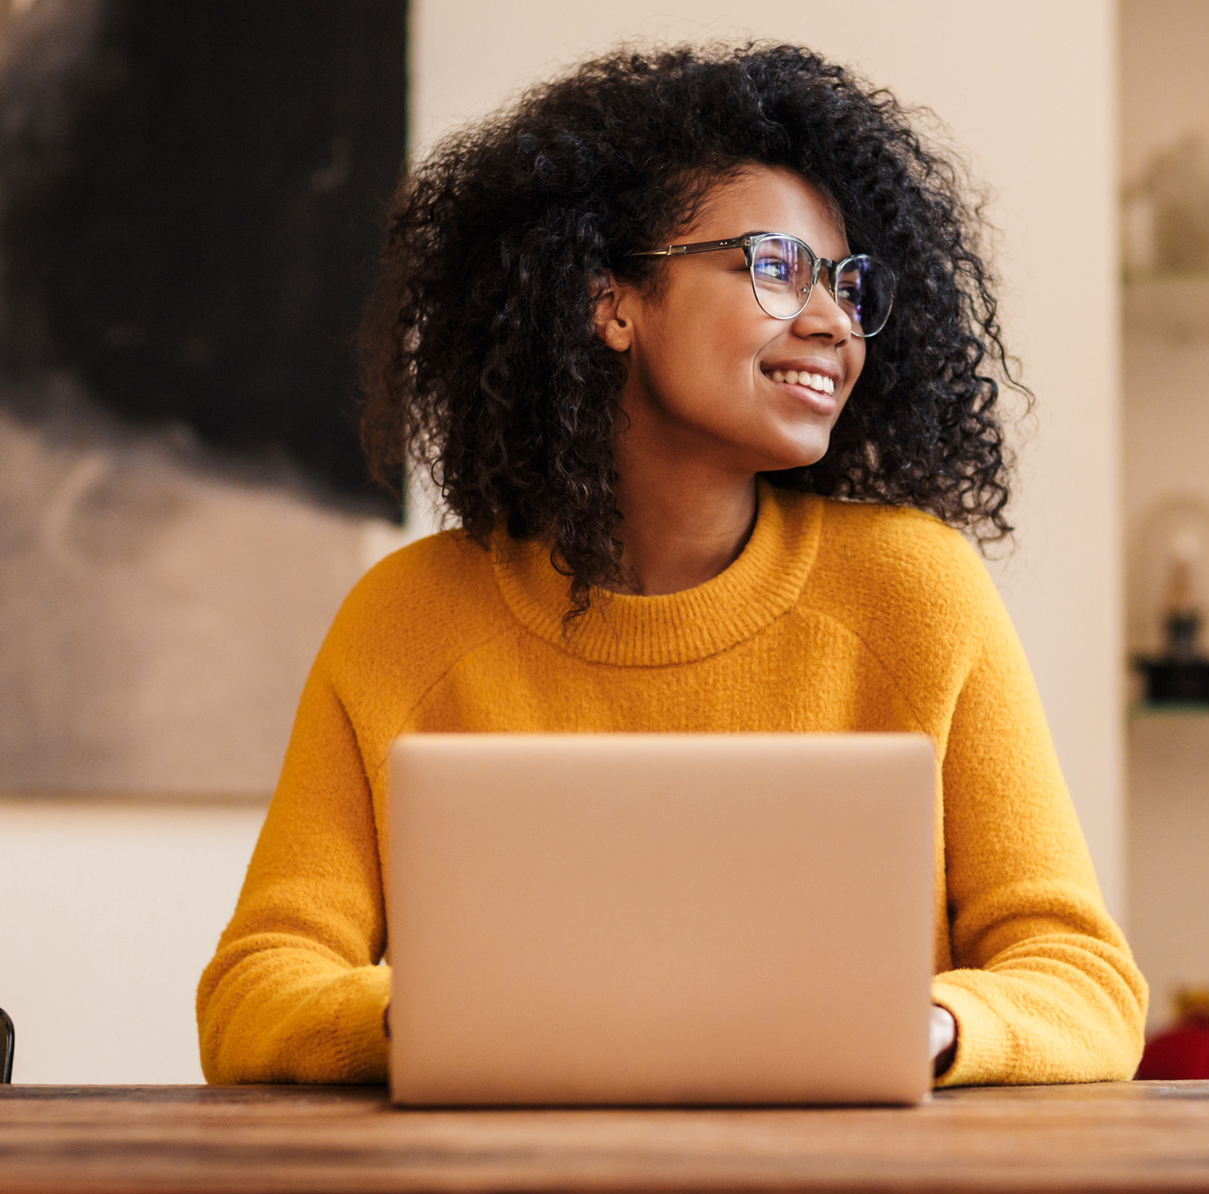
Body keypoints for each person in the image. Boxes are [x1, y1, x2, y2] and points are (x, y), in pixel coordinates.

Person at [196, 42, 1147, 1088]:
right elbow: (254, 992)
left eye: (848, 285)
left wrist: (916, 1023)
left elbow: (1084, 982)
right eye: (777, 268)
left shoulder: (918, 593)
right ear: (611, 302)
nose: (830, 318)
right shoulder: (407, 618)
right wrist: (441, 1017)